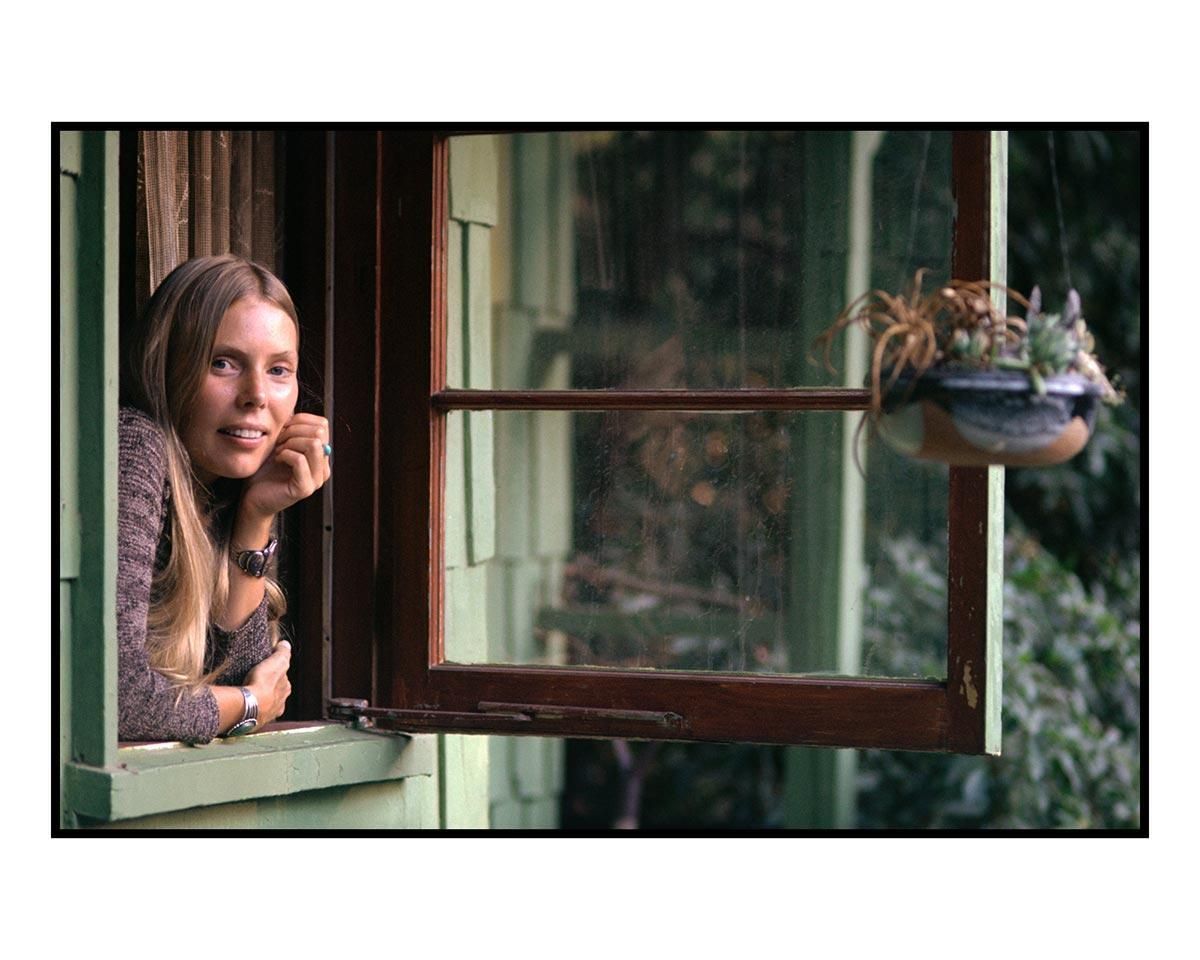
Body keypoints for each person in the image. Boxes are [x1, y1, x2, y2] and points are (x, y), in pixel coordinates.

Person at [118, 254, 330, 743]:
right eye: (224, 363)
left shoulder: (219, 487)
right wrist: (251, 704)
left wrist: (257, 515)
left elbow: (224, 681)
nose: (256, 395)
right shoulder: (135, 445)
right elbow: (122, 700)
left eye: (279, 370)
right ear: (169, 364)